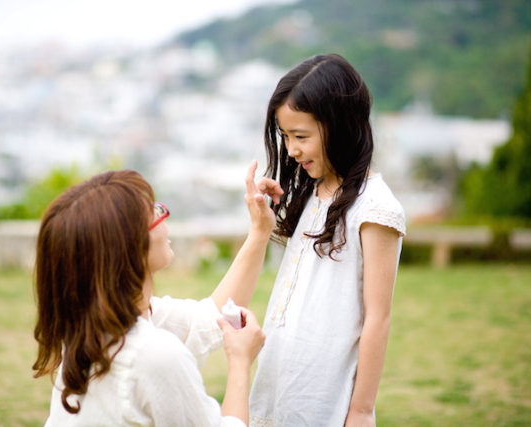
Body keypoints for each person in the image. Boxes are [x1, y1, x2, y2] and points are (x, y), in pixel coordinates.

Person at [33, 161, 278, 427]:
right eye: (155, 213)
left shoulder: (89, 328)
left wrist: (260, 231)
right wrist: (240, 363)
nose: (164, 217)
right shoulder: (155, 355)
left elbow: (210, 319)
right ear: (130, 249)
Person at [248, 54, 406, 427]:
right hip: (278, 386)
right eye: (285, 136)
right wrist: (264, 217)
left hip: (325, 401)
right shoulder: (313, 192)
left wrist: (362, 410)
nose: (291, 150)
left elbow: (377, 319)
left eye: (301, 136)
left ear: (341, 126)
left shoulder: (376, 208)